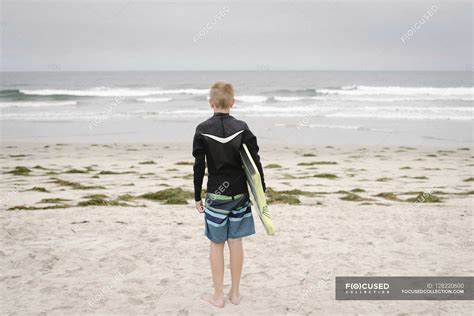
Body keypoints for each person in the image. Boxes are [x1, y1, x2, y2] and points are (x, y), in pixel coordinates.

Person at [192, 81, 266, 308]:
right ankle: (234, 293)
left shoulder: (202, 129)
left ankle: (217, 296)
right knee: (236, 241)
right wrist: (262, 190)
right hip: (240, 194)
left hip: (216, 195)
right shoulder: (242, 128)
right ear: (233, 103)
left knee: (216, 243)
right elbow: (255, 162)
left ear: (211, 103)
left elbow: (199, 166)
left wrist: (197, 196)